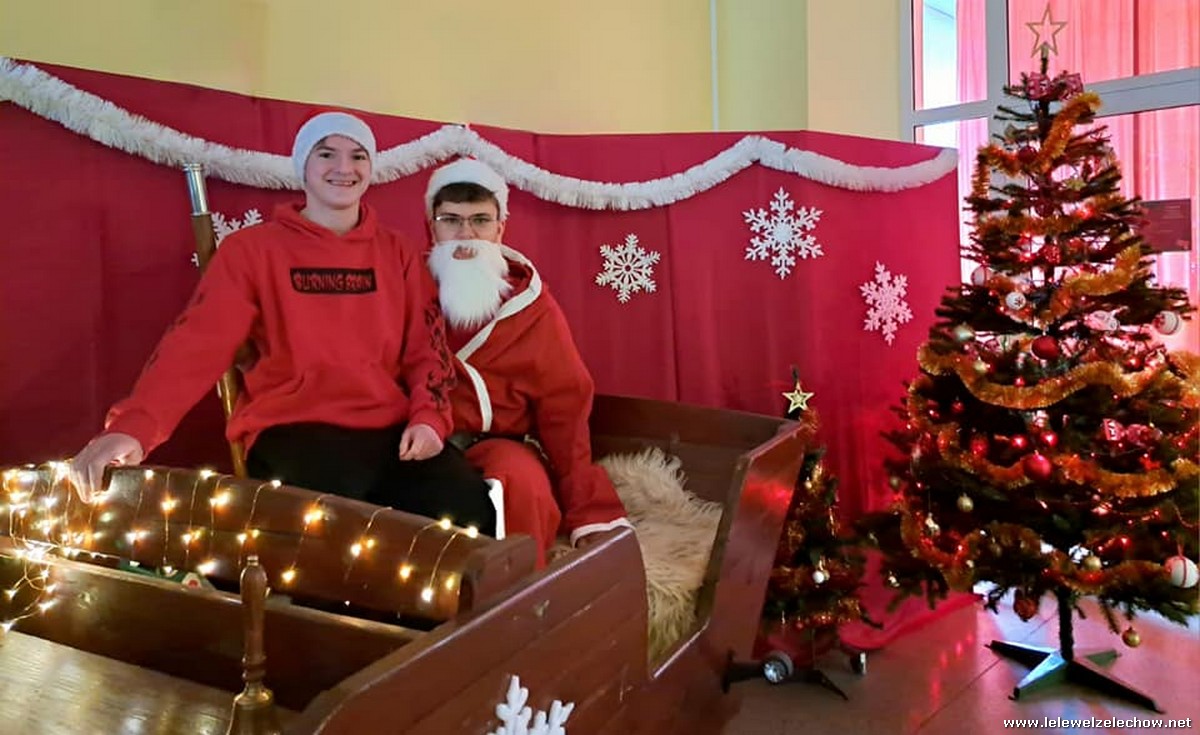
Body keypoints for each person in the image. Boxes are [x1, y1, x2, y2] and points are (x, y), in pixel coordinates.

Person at [69, 112, 496, 536]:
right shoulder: (252, 251)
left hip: (390, 433)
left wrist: (429, 419)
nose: (344, 167)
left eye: (358, 156)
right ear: (302, 166)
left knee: (468, 508)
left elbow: (427, 350)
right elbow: (197, 345)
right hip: (292, 430)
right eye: (326, 154)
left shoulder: (398, 252)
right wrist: (134, 428)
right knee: (333, 529)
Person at [423, 158, 631, 565]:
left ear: (500, 228)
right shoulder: (405, 286)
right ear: (432, 226)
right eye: (451, 220)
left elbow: (564, 407)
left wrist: (588, 506)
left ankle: (520, 595)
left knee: (521, 488)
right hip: (419, 438)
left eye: (480, 221)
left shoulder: (532, 309)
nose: (466, 235)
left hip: (498, 444)